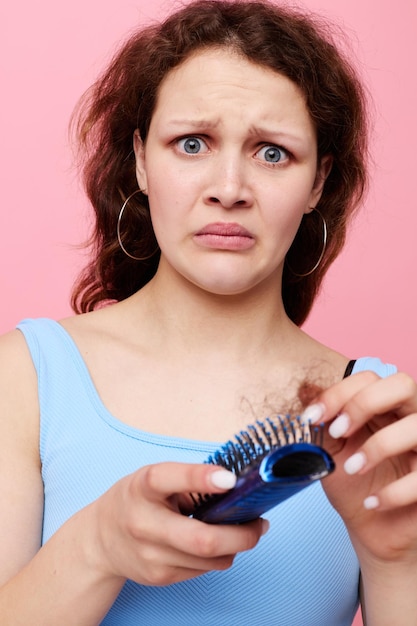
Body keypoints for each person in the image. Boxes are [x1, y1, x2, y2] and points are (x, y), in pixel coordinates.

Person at [0, 0, 416, 624]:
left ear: (319, 183)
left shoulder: (376, 418)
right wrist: (96, 547)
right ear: (141, 160)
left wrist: (398, 561)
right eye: (191, 143)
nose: (229, 187)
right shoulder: (25, 380)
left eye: (272, 152)